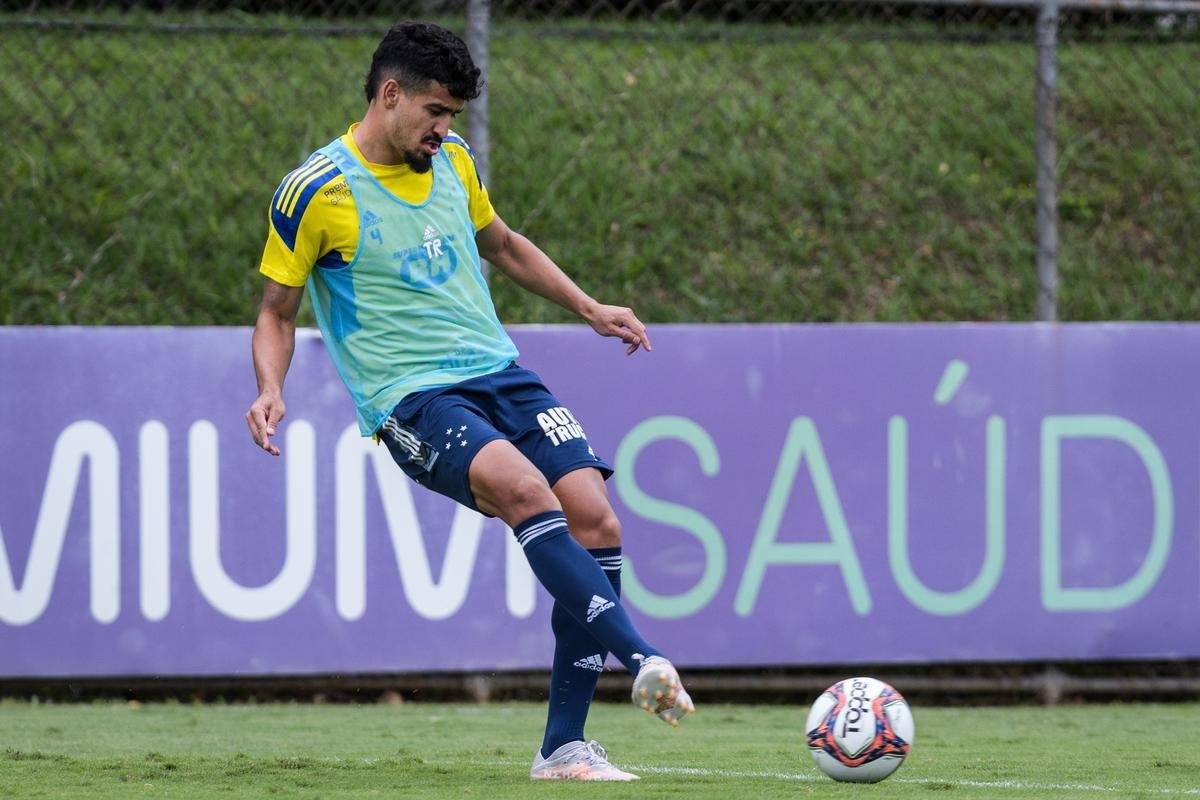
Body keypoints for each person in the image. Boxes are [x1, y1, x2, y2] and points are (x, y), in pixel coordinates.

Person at [245, 20, 693, 782]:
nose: (445, 128)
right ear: (391, 95)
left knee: (595, 517)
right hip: (412, 397)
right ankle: (642, 655)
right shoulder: (316, 189)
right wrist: (269, 389)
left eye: (452, 114)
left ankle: (563, 749)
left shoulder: (453, 161)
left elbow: (506, 244)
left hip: (500, 373)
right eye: (435, 111)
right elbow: (276, 313)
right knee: (525, 490)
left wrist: (590, 308)